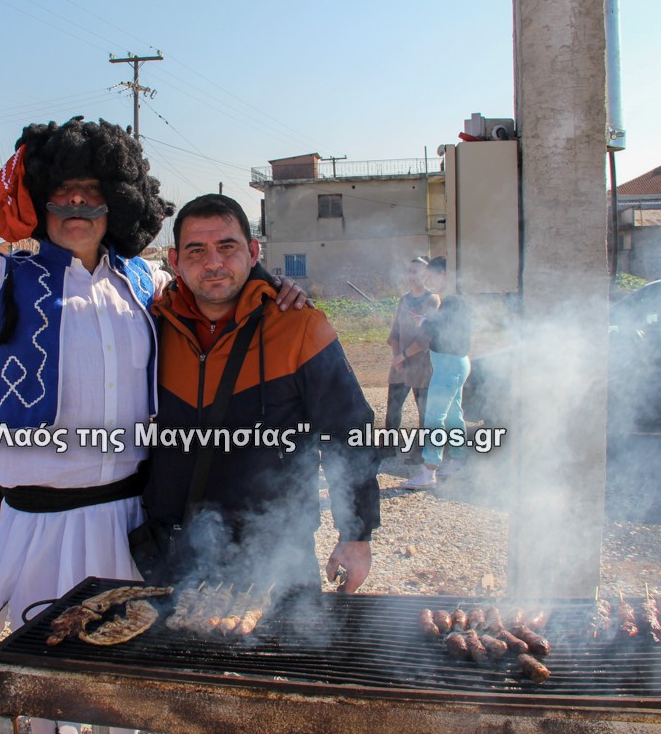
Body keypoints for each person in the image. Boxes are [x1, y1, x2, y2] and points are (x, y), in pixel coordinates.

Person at [143, 194, 381, 593]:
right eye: (196, 250)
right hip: (173, 551)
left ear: (253, 252)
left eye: (227, 247)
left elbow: (350, 430)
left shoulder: (299, 326)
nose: (213, 263)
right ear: (175, 259)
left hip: (277, 552)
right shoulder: (152, 326)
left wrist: (356, 533)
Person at [405, 256, 473, 489]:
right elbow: (444, 326)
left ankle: (429, 471)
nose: (428, 281)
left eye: (431, 276)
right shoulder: (456, 299)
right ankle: (458, 461)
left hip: (448, 366)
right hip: (454, 364)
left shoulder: (452, 301)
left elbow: (441, 330)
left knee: (434, 418)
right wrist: (427, 321)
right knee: (454, 416)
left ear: (443, 274)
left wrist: (424, 322)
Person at [386, 256, 439, 459]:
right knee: (393, 407)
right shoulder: (403, 300)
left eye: (415, 271)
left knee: (424, 410)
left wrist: (403, 356)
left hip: (421, 365)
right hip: (400, 363)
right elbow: (395, 332)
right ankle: (388, 447)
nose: (411, 276)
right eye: (409, 271)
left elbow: (427, 337)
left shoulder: (432, 300)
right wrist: (397, 358)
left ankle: (421, 451)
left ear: (426, 274)